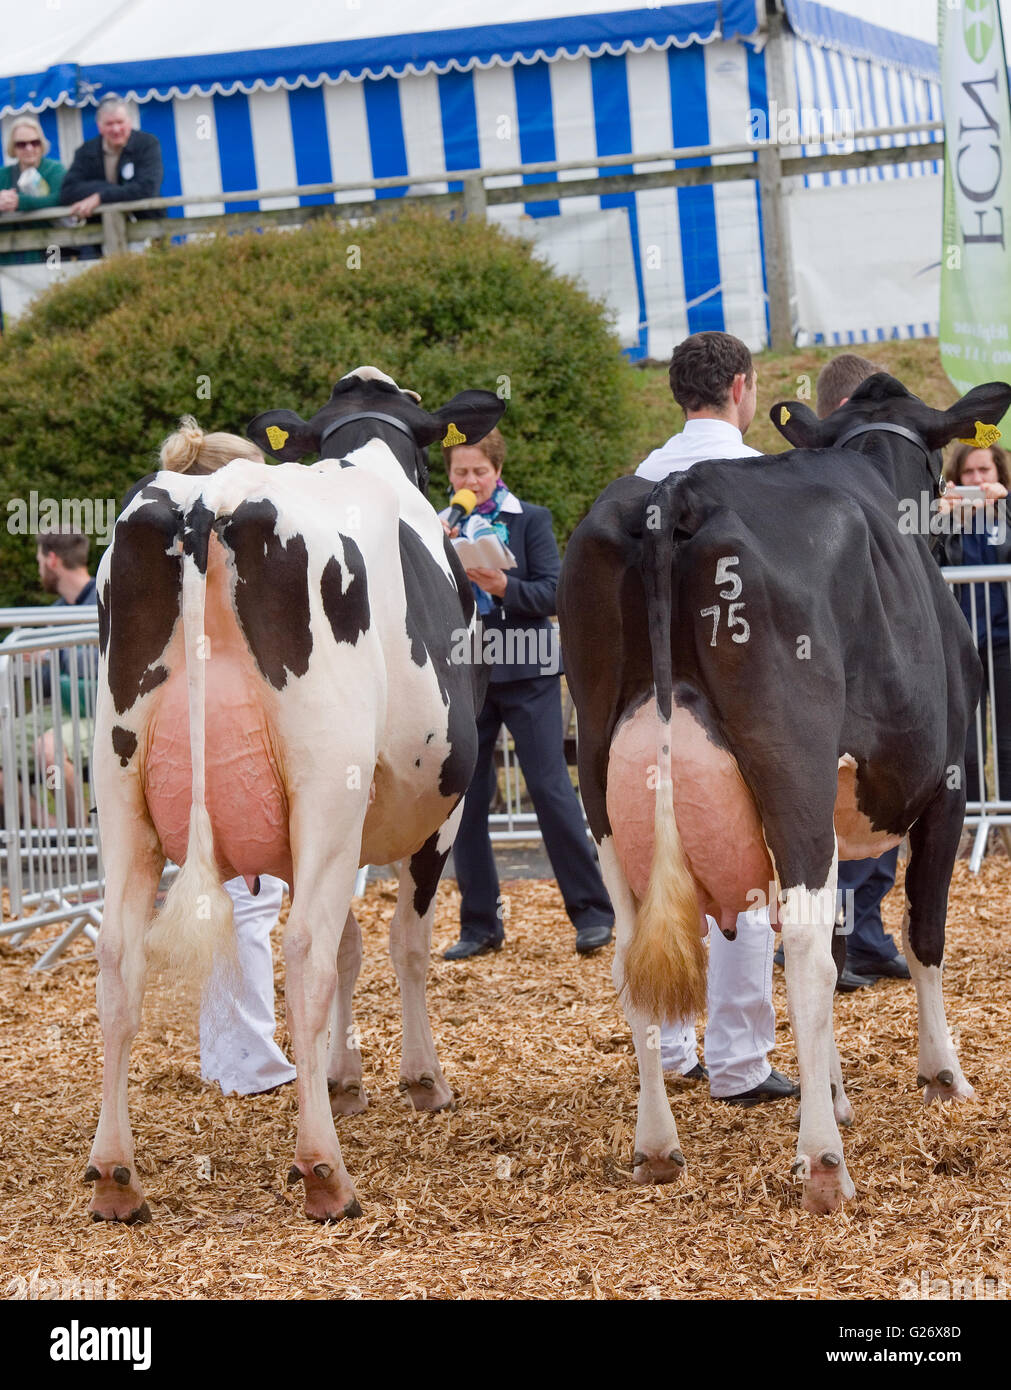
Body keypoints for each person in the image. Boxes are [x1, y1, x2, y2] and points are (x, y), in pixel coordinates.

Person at [639, 331, 798, 1105]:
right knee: (744, 886)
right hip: (738, 705)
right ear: (739, 386)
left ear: (680, 392)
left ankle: (666, 1049)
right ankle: (737, 1062)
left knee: (656, 868)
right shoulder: (763, 480)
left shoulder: (635, 481)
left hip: (644, 705)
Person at [157, 416, 296, 1095]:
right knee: (249, 889)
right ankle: (252, 1064)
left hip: (156, 735)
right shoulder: (237, 543)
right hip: (230, 723)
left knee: (214, 887)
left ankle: (226, 1057)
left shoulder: (137, 539)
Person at [439, 427, 615, 960]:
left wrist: (502, 588)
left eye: (478, 471)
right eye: (460, 472)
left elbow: (554, 592)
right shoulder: (438, 524)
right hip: (469, 669)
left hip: (529, 672)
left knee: (549, 788)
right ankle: (479, 925)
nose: (469, 480)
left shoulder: (529, 519)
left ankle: (593, 913)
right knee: (465, 799)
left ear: (497, 471)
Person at [811, 354, 910, 988]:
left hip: (877, 664)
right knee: (833, 805)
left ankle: (865, 932)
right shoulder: (816, 472)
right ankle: (829, 937)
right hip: (836, 666)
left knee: (880, 802)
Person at [940, 441, 1011, 833]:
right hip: (960, 646)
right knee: (966, 748)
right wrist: (941, 519)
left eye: (985, 470)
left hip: (1004, 642)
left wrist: (1007, 504)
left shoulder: (1007, 512)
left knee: (1007, 743)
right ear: (956, 478)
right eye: (969, 472)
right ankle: (973, 822)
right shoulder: (947, 520)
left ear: (999, 474)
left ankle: (1006, 829)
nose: (978, 480)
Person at [61, 95, 163, 251]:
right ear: (99, 126)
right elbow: (68, 191)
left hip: (148, 228)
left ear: (129, 122)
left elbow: (147, 188)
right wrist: (107, 189)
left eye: (120, 122)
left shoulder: (147, 144)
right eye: (109, 124)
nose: (116, 129)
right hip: (101, 236)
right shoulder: (86, 151)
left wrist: (99, 197)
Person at [0, 116, 66, 264]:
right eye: (21, 144)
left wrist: (19, 202)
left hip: (52, 245)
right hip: (9, 253)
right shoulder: (3, 175)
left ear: (41, 144)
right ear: (13, 147)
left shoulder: (55, 169)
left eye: (34, 142)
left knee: (54, 282)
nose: (29, 148)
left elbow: (59, 198)